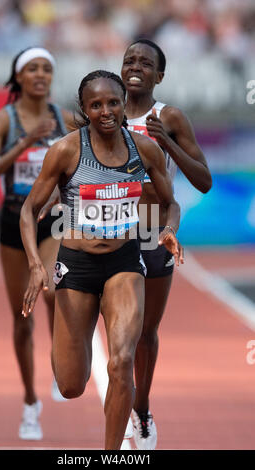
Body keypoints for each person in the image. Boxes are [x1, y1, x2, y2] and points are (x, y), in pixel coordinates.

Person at [19, 70, 182, 450]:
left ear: (124, 103)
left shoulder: (144, 149)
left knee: (121, 362)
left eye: (113, 102)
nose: (106, 111)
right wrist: (34, 264)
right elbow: (29, 210)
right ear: (85, 109)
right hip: (76, 267)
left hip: (125, 264)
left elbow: (170, 201)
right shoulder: (66, 150)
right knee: (71, 384)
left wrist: (169, 229)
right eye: (96, 105)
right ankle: (64, 346)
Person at [0, 46, 74, 441]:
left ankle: (57, 362)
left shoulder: (63, 118)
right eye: (32, 68)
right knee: (22, 318)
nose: (40, 74)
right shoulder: (4, 120)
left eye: (46, 69)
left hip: (50, 219)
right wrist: (24, 143)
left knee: (51, 291)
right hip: (13, 222)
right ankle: (31, 402)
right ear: (18, 77)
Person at [121, 39, 212, 449]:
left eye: (146, 62)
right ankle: (123, 412)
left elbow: (203, 181)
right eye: (129, 60)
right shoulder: (103, 111)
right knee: (121, 334)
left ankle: (141, 410)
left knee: (145, 333)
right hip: (111, 236)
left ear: (160, 75)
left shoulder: (168, 116)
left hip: (155, 233)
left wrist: (167, 141)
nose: (135, 66)